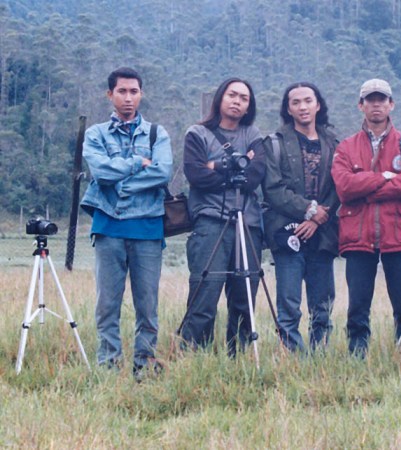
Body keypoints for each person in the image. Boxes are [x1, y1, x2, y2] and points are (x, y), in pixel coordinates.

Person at [80, 67, 173, 379]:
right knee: (107, 304)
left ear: (141, 94)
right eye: (122, 91)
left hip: (147, 228)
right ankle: (109, 366)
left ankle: (144, 365)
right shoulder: (96, 134)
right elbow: (100, 172)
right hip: (108, 227)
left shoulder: (157, 134)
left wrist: (122, 185)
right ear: (110, 94)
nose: (128, 97)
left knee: (147, 305)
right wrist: (135, 163)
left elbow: (162, 172)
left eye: (134, 91)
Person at [331, 78, 401, 357]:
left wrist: (366, 188)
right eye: (370, 100)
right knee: (357, 305)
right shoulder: (346, 147)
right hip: (357, 236)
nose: (376, 104)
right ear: (360, 105)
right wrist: (385, 177)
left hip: (399, 234)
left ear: (391, 104)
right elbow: (344, 187)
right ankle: (357, 356)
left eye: (382, 99)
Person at [179, 77, 266, 357]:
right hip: (210, 221)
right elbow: (196, 175)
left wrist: (214, 165)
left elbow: (254, 176)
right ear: (220, 98)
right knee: (205, 293)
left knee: (244, 297)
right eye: (232, 95)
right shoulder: (197, 133)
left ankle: (238, 359)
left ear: (249, 106)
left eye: (244, 98)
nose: (237, 101)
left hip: (248, 224)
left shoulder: (254, 134)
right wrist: (236, 170)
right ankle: (194, 358)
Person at [262, 82, 340, 352]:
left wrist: (317, 218)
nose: (302, 106)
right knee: (289, 304)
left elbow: (339, 187)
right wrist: (308, 210)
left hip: (323, 233)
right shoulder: (274, 143)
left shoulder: (334, 144)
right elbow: (273, 189)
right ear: (288, 108)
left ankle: (320, 356)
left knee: (323, 305)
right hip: (287, 232)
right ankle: (292, 357)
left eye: (308, 100)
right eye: (295, 102)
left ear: (318, 105)